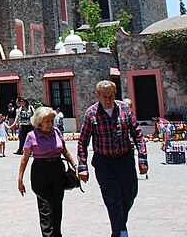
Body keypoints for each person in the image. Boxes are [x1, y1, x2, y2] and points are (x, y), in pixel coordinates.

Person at [77, 80, 147, 237]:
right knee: (113, 199)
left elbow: (138, 134)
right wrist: (82, 167)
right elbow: (83, 141)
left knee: (129, 195)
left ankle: (120, 224)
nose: (108, 100)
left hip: (125, 159)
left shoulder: (124, 109)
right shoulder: (91, 113)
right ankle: (119, 232)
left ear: (115, 95)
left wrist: (142, 159)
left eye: (111, 96)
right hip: (104, 163)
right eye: (104, 96)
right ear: (98, 96)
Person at [18, 106, 77, 237]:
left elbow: (65, 151)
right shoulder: (31, 136)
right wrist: (20, 179)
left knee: (57, 204)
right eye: (47, 121)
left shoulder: (57, 132)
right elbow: (24, 158)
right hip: (40, 170)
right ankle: (48, 235)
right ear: (38, 122)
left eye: (52, 120)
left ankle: (57, 234)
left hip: (57, 169)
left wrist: (75, 166)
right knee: (45, 207)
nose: (50, 124)